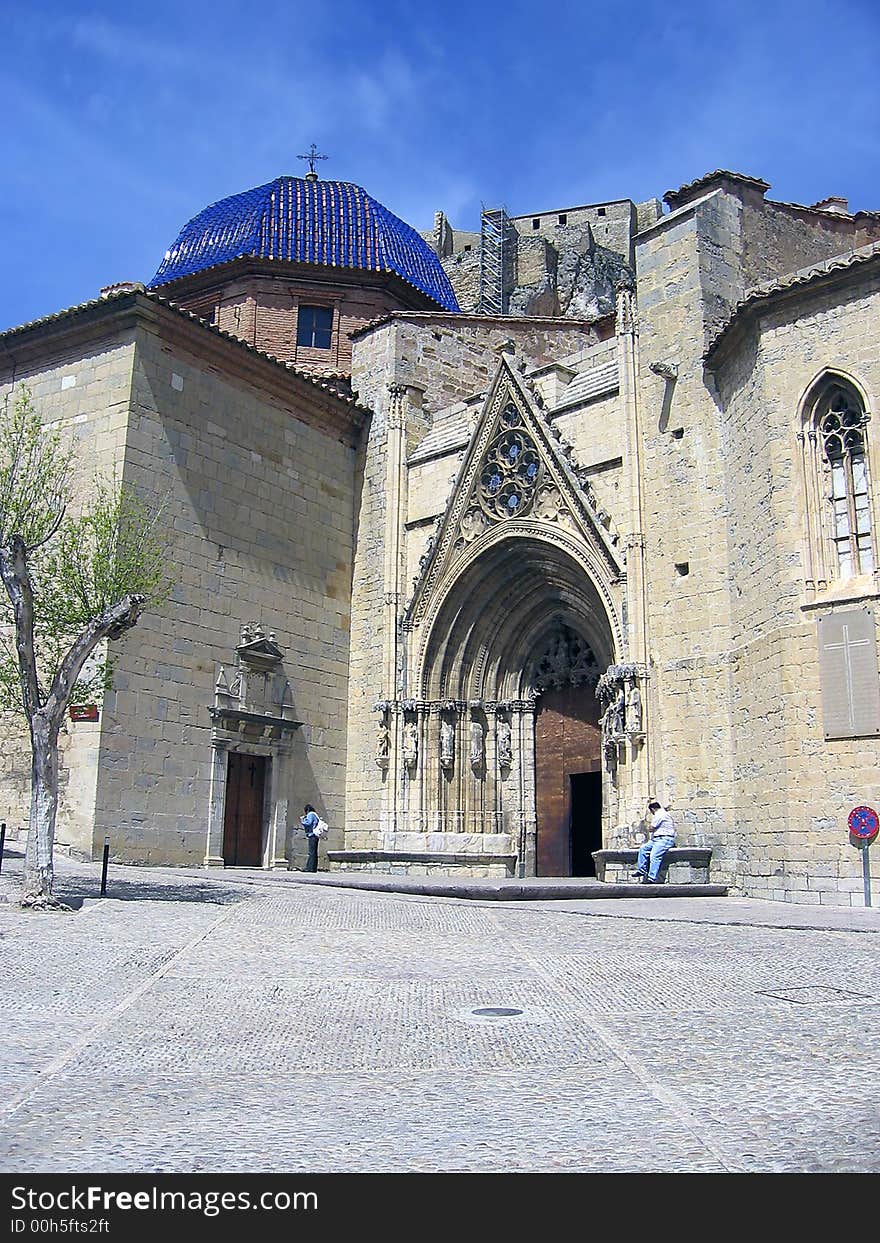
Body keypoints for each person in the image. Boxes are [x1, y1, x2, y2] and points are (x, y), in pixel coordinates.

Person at [632, 799, 675, 883]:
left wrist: (648, 827)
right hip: (656, 839)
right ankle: (642, 870)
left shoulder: (660, 814)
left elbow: (652, 828)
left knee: (654, 856)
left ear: (652, 809)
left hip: (664, 839)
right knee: (643, 849)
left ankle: (652, 878)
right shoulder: (662, 814)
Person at [300, 803, 319, 873]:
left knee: (311, 852)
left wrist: (302, 820)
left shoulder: (310, 814)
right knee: (314, 852)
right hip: (315, 835)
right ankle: (313, 868)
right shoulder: (314, 814)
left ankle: (309, 868)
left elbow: (308, 823)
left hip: (312, 835)